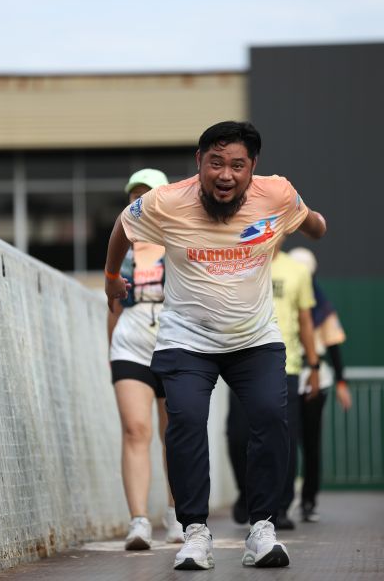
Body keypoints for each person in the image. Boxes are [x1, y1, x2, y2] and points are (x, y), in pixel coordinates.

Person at [105, 121, 326, 570]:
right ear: (199, 162)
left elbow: (311, 222)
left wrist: (314, 224)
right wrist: (111, 277)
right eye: (216, 163)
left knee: (270, 417)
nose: (226, 175)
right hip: (186, 339)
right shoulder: (166, 201)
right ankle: (194, 532)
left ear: (253, 167)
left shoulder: (277, 194)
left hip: (254, 338)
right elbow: (122, 226)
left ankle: (261, 527)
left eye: (237, 165)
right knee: (185, 421)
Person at [107, 168, 184, 550]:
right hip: (131, 344)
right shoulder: (121, 248)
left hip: (173, 342)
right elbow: (113, 305)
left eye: (147, 195)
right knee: (136, 430)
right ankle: (138, 521)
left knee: (176, 432)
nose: (140, 203)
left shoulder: (182, 241)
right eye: (134, 196)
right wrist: (109, 351)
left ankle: (178, 514)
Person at [227, 237, 320, 530]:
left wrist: (314, 366)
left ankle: (279, 506)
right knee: (237, 435)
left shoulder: (297, 271)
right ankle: (246, 492)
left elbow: (305, 320)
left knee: (282, 438)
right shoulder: (241, 263)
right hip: (242, 361)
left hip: (286, 364)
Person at [288, 247, 352, 523]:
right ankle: (281, 500)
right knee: (284, 440)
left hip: (317, 378)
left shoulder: (323, 308)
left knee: (311, 442)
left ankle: (308, 500)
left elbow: (334, 346)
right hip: (287, 374)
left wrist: (341, 383)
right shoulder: (282, 300)